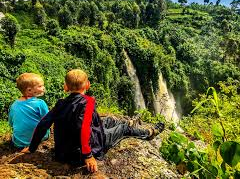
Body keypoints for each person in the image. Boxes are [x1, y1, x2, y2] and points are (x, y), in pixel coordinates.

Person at [22, 69, 164, 173]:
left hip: (63, 152)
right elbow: (83, 129)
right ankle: (149, 132)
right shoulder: (89, 102)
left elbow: (43, 124)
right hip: (81, 153)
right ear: (87, 85)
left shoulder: (60, 103)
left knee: (108, 120)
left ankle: (125, 123)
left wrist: (32, 147)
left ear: (66, 87)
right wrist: (88, 156)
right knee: (122, 128)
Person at [8, 73, 50, 149]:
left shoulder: (14, 104)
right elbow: (47, 120)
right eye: (40, 86)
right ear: (29, 90)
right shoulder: (40, 103)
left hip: (18, 143)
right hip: (39, 140)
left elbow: (11, 123)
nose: (43, 88)